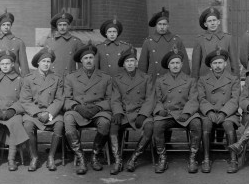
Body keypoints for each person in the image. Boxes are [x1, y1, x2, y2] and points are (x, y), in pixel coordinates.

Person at [61, 45, 117, 175]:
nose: (88, 61)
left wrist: (98, 107)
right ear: (81, 61)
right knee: (68, 118)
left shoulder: (105, 77)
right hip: (79, 110)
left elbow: (110, 99)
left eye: (91, 57)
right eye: (85, 58)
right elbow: (66, 99)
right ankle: (80, 157)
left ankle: (94, 155)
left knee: (105, 122)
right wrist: (77, 107)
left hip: (98, 110)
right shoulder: (71, 77)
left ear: (95, 59)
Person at [147, 49, 201, 173]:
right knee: (157, 125)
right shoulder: (160, 81)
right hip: (168, 113)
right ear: (168, 65)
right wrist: (160, 110)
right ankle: (162, 158)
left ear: (182, 65)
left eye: (178, 63)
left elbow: (193, 99)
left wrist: (187, 112)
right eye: (172, 63)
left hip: (184, 113)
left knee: (197, 123)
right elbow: (156, 99)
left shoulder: (190, 80)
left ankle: (193, 158)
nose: (175, 66)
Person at [189, 48, 240, 173]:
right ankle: (206, 158)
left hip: (228, 113)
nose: (218, 66)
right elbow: (201, 98)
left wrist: (224, 112)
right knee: (205, 123)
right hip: (209, 112)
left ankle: (233, 159)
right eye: (215, 63)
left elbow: (235, 99)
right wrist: (209, 111)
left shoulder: (233, 79)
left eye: (220, 63)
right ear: (210, 66)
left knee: (228, 125)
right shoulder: (202, 80)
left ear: (225, 64)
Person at [20, 47, 65, 172]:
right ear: (38, 63)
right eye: (43, 61)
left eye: (48, 61)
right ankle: (34, 157)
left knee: (60, 124)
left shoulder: (57, 78)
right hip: (34, 113)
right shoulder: (28, 79)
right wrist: (38, 112)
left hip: (52, 112)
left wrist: (49, 113)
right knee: (28, 125)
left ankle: (51, 157)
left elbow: (59, 99)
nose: (46, 64)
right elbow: (25, 100)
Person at [114, 49, 154, 174]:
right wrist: (117, 112)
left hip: (141, 112)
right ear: (123, 64)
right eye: (127, 61)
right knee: (113, 125)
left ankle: (133, 158)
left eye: (132, 61)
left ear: (136, 63)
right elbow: (115, 99)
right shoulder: (117, 79)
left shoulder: (146, 77)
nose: (130, 64)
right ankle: (118, 161)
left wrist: (143, 114)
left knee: (149, 126)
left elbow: (150, 98)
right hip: (125, 113)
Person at [191, 7, 244, 77]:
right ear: (205, 24)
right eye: (209, 21)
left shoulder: (228, 38)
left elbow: (234, 65)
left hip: (225, 81)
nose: (212, 23)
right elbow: (195, 68)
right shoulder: (200, 40)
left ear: (218, 22)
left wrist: (235, 83)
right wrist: (195, 86)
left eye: (214, 20)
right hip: (206, 81)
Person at [141, 7, 191, 77]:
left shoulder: (176, 40)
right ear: (156, 25)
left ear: (168, 25)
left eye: (164, 24)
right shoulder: (148, 42)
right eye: (159, 24)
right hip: (153, 81)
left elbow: (184, 63)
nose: (162, 27)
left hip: (172, 81)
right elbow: (142, 66)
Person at [0, 9, 27, 79]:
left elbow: (24, 68)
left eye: (8, 24)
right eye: (3, 25)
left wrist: (25, 85)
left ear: (11, 25)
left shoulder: (19, 42)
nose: (6, 27)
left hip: (15, 80)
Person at [42, 10, 85, 77]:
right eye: (60, 25)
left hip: (69, 77)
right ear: (57, 27)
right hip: (53, 77)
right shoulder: (49, 41)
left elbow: (81, 64)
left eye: (64, 25)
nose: (62, 27)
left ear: (69, 26)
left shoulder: (76, 42)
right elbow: (44, 62)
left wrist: (79, 78)